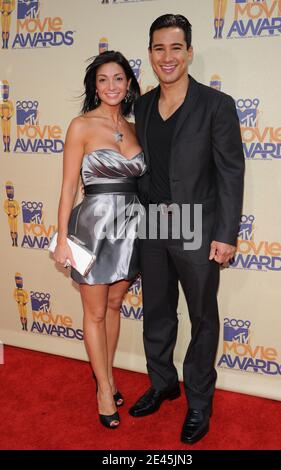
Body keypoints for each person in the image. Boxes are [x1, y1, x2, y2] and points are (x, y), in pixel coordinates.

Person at [129, 14, 245, 444]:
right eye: (159, 48)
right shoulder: (140, 104)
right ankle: (162, 383)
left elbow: (231, 172)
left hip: (198, 226)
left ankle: (199, 402)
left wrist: (227, 233)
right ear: (151, 55)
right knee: (156, 314)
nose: (167, 57)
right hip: (152, 224)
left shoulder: (217, 105)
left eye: (176, 48)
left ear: (190, 52)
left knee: (202, 319)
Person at [53, 51, 145, 429]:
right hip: (93, 225)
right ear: (95, 85)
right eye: (103, 79)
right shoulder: (81, 125)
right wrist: (62, 240)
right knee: (93, 310)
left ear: (128, 84)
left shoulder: (136, 127)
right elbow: (69, 186)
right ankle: (104, 390)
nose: (112, 86)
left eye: (119, 78)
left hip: (132, 225)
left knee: (113, 305)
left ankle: (104, 373)